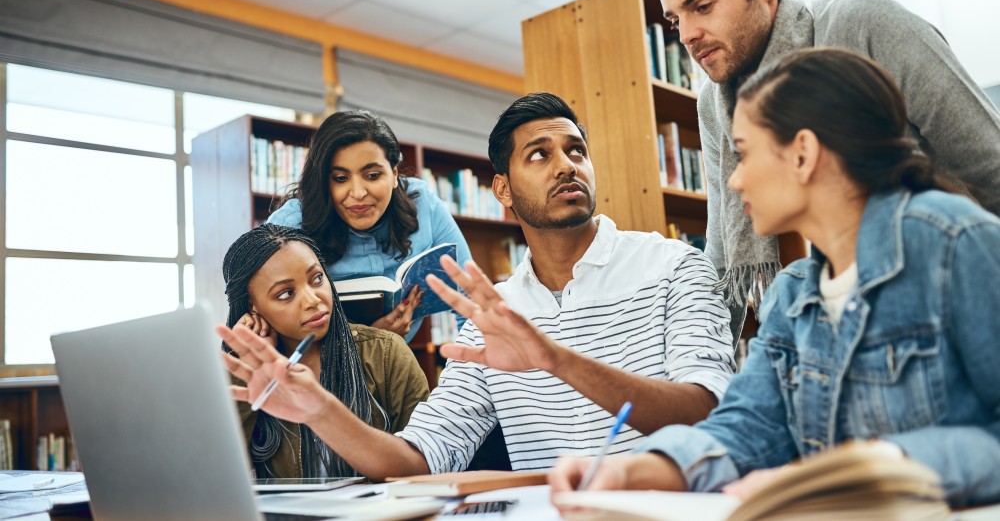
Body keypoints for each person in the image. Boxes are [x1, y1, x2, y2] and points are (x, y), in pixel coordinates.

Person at [548, 48, 1000, 508]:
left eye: (743, 153)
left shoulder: (956, 242)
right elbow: (745, 429)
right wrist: (627, 470)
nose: (734, 180)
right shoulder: (794, 294)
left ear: (803, 154)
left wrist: (859, 472)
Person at [220, 92, 736, 480]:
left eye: (576, 151)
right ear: (503, 190)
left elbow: (711, 413)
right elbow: (419, 458)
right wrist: (318, 408)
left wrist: (555, 359)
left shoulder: (675, 267)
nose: (565, 165)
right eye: (539, 154)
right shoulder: (489, 322)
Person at [644, 0, 1000, 339]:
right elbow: (721, 255)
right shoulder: (714, 105)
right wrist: (698, 365)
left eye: (703, 6)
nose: (687, 36)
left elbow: (990, 164)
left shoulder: (864, 24)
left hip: (966, 282)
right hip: (864, 310)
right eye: (675, 20)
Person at [222, 223, 429, 478]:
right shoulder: (234, 375)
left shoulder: (386, 354)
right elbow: (216, 477)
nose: (313, 300)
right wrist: (248, 369)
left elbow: (425, 461)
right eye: (286, 293)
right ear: (252, 307)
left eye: (317, 279)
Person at [267, 110, 472, 342]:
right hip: (314, 371)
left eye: (373, 175)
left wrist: (465, 373)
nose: (358, 193)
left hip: (395, 368)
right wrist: (374, 341)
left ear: (394, 174)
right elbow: (264, 321)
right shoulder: (290, 224)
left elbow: (471, 300)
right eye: (340, 179)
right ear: (323, 181)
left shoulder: (424, 204)